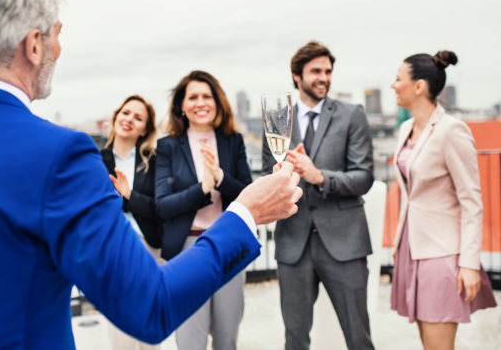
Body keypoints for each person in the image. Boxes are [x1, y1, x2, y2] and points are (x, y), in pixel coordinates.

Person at [0, 0, 304, 350]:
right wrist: (246, 212)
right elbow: (150, 307)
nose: (59, 48)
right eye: (56, 34)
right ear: (34, 45)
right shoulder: (59, 155)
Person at [262, 41, 375, 350]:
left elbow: (364, 176)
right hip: (293, 245)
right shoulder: (276, 119)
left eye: (328, 71)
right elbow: (263, 176)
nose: (324, 77)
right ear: (297, 76)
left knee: (359, 338)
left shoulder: (352, 114)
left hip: (345, 244)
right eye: (316, 71)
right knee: (295, 339)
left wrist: (319, 176)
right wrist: (278, 180)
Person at [390, 51, 496, 349]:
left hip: (442, 253)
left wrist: (469, 264)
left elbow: (472, 202)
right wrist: (400, 242)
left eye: (398, 79)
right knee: (427, 343)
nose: (393, 85)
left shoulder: (452, 130)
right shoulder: (404, 129)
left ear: (419, 86)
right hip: (412, 248)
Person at [155, 71, 252, 350]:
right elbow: (163, 205)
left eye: (207, 96)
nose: (201, 103)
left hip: (229, 246)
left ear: (218, 102)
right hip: (187, 250)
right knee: (189, 340)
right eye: (193, 97)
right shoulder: (168, 147)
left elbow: (247, 194)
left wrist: (220, 178)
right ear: (181, 106)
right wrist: (203, 189)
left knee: (227, 337)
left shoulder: (233, 142)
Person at [100, 95, 164, 350]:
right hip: (113, 250)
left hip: (149, 249)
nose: (129, 120)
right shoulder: (94, 160)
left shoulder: (155, 161)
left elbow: (160, 209)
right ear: (116, 117)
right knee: (119, 327)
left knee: (149, 327)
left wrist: (129, 196)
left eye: (138, 118)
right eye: (126, 113)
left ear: (144, 129)